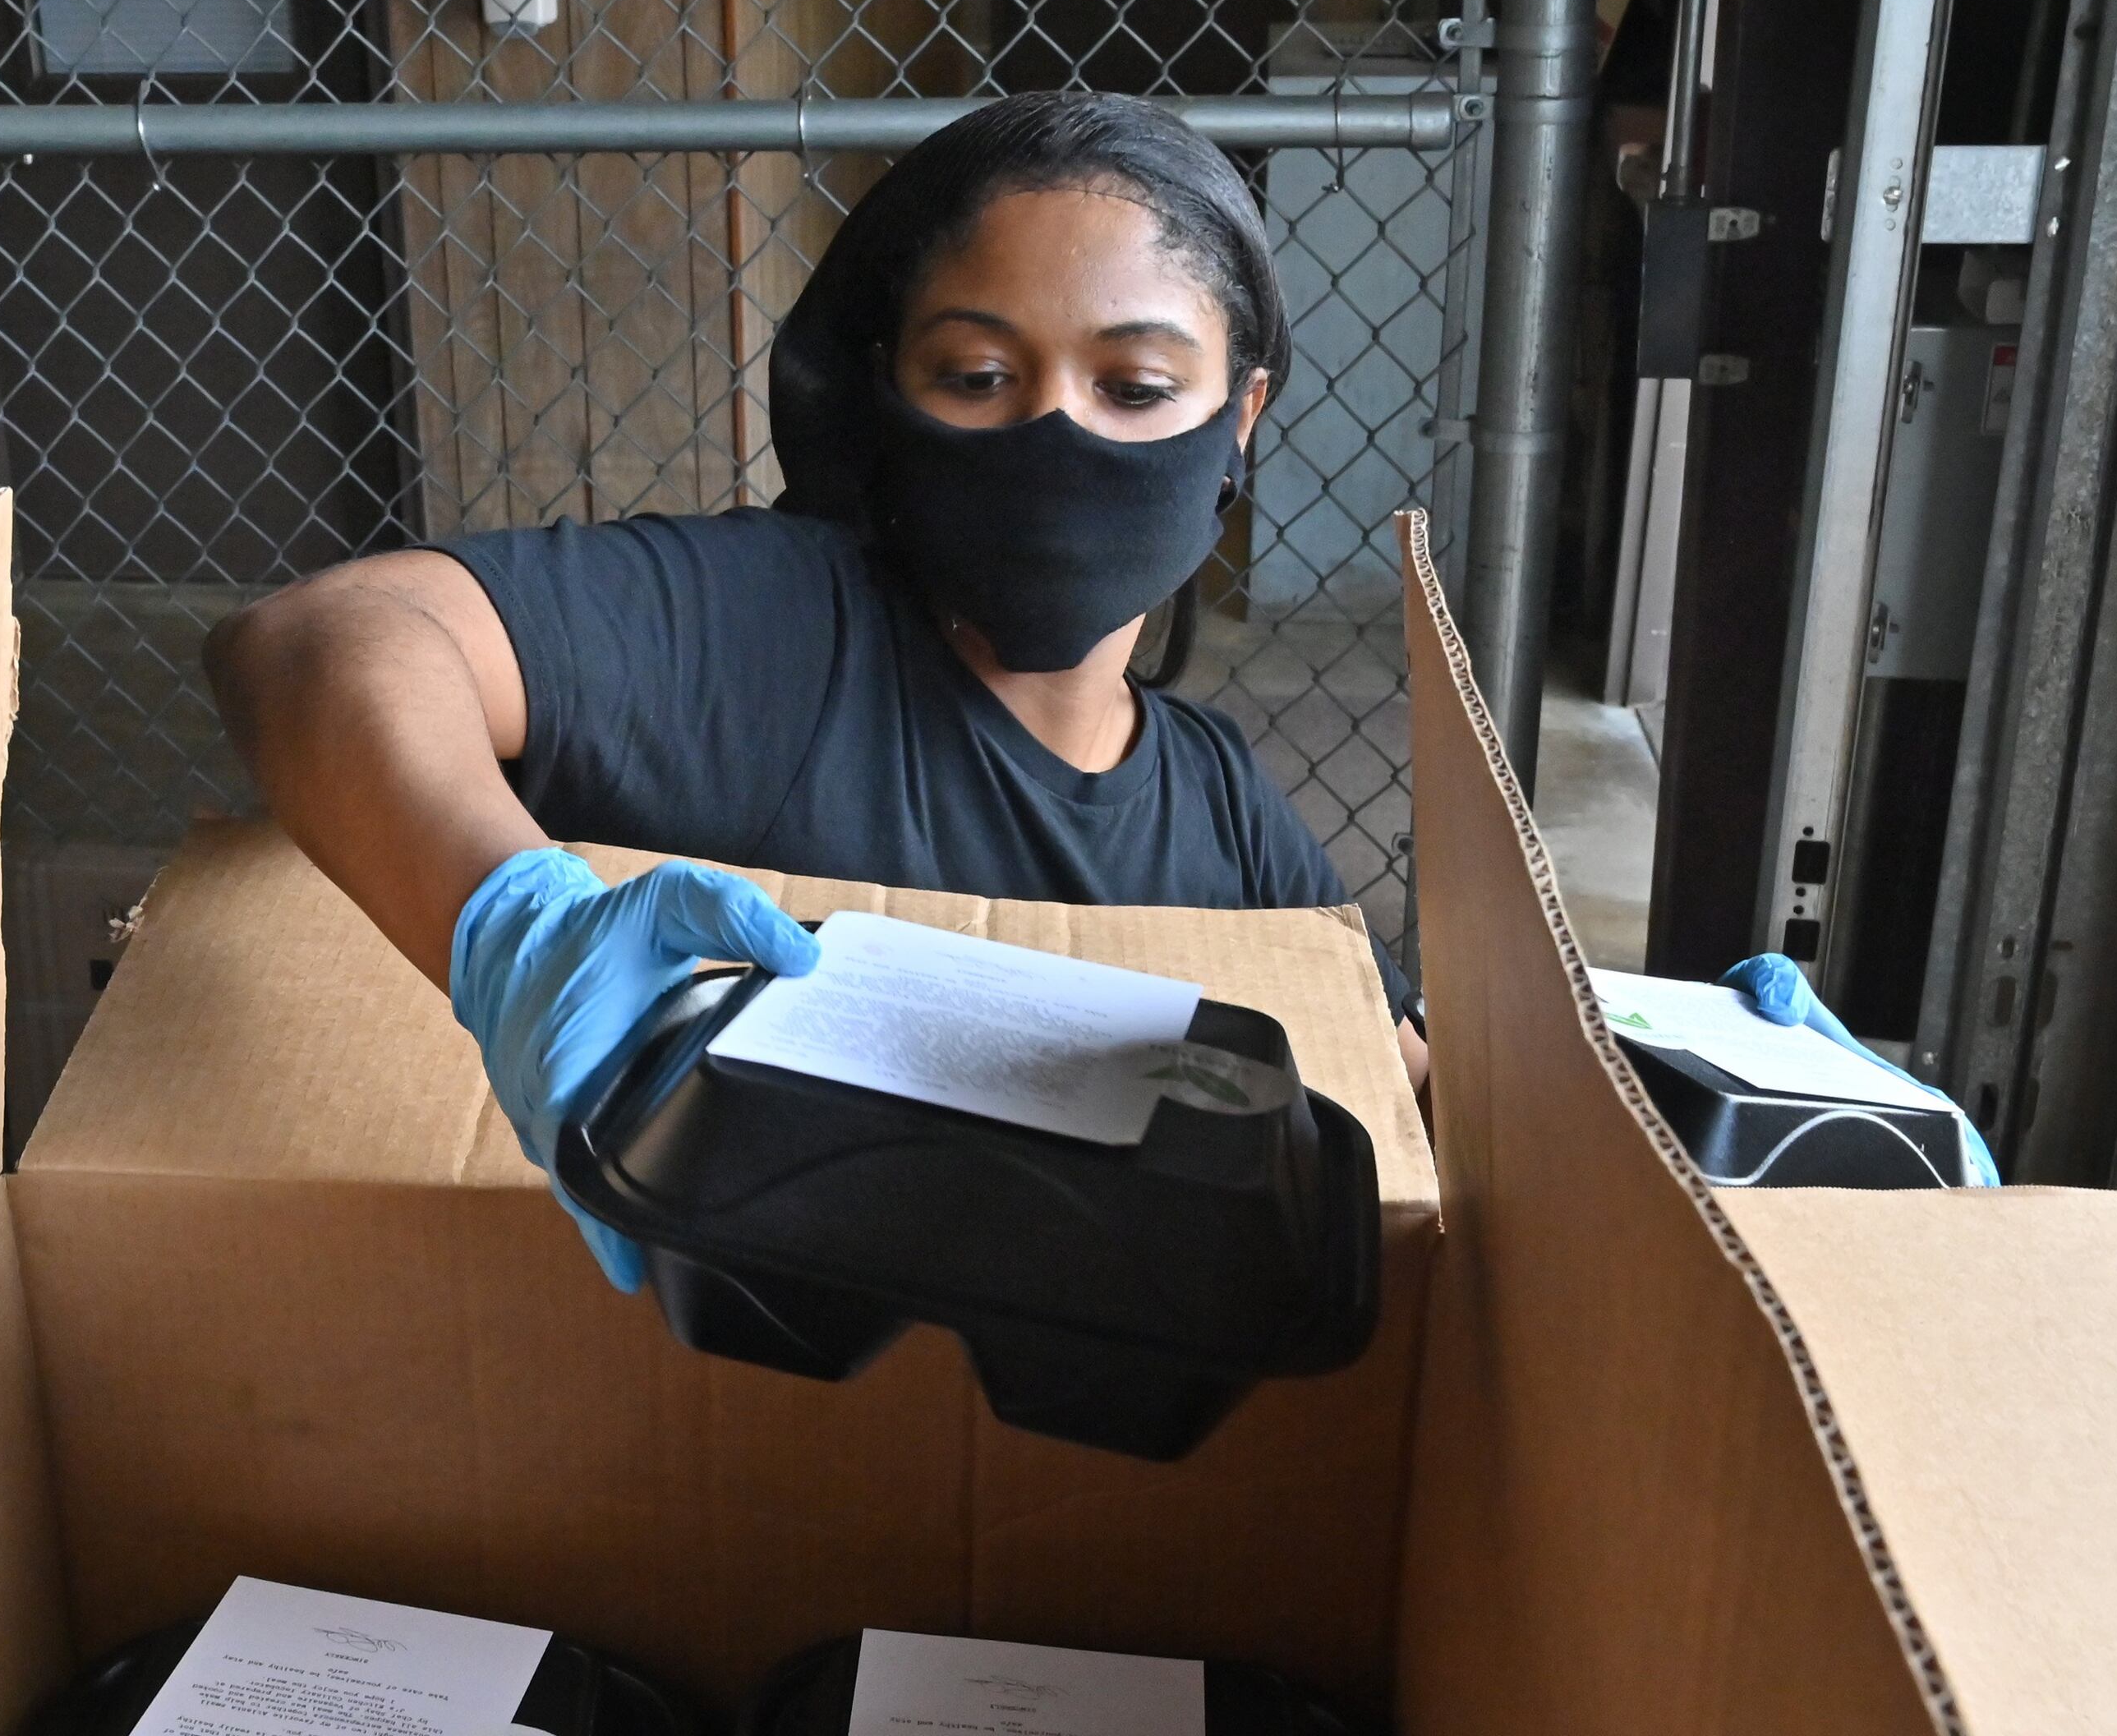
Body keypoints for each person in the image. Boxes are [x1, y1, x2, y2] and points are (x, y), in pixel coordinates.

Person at [208, 91, 1424, 1291]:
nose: (1054, 432)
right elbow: (315, 641)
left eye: (1137, 388)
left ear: (1241, 417)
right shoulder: (781, 631)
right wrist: (517, 928)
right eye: (978, 374)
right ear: (889, 389)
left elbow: (1399, 1078)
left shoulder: (1222, 805)